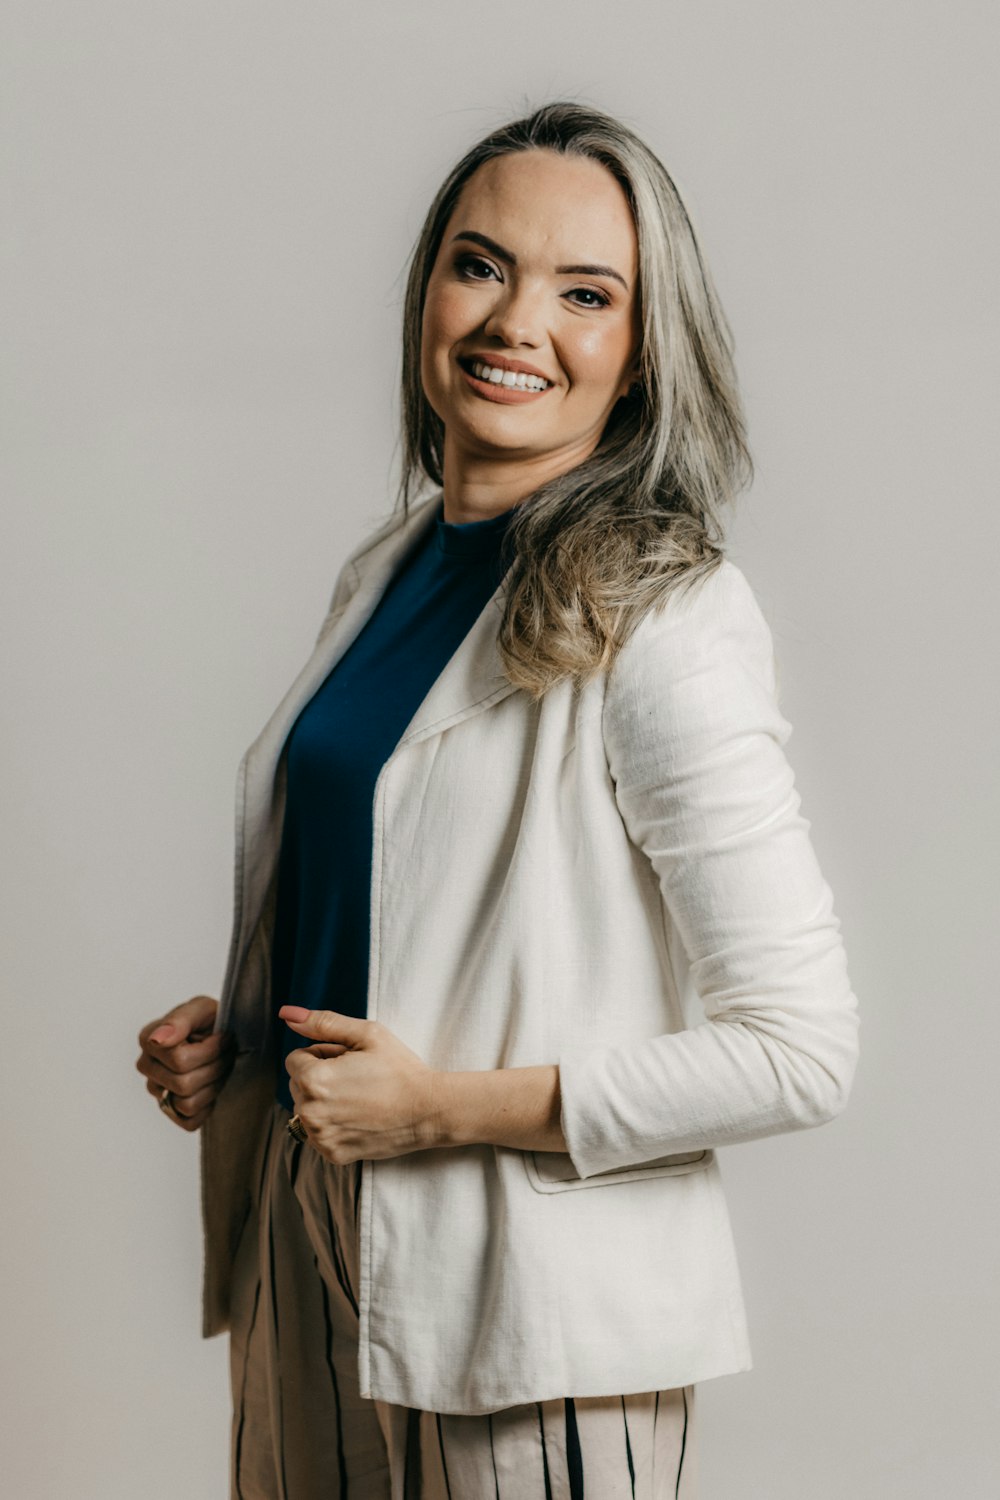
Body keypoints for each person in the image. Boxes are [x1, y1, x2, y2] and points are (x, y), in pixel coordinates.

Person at [136, 101, 860, 1499]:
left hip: (529, 1303)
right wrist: (234, 1042)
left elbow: (801, 1049)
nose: (516, 322)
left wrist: (443, 1110)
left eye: (585, 293)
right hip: (305, 1226)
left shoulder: (669, 612)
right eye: (482, 267)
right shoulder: (392, 568)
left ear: (643, 352)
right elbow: (421, 904)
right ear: (426, 292)